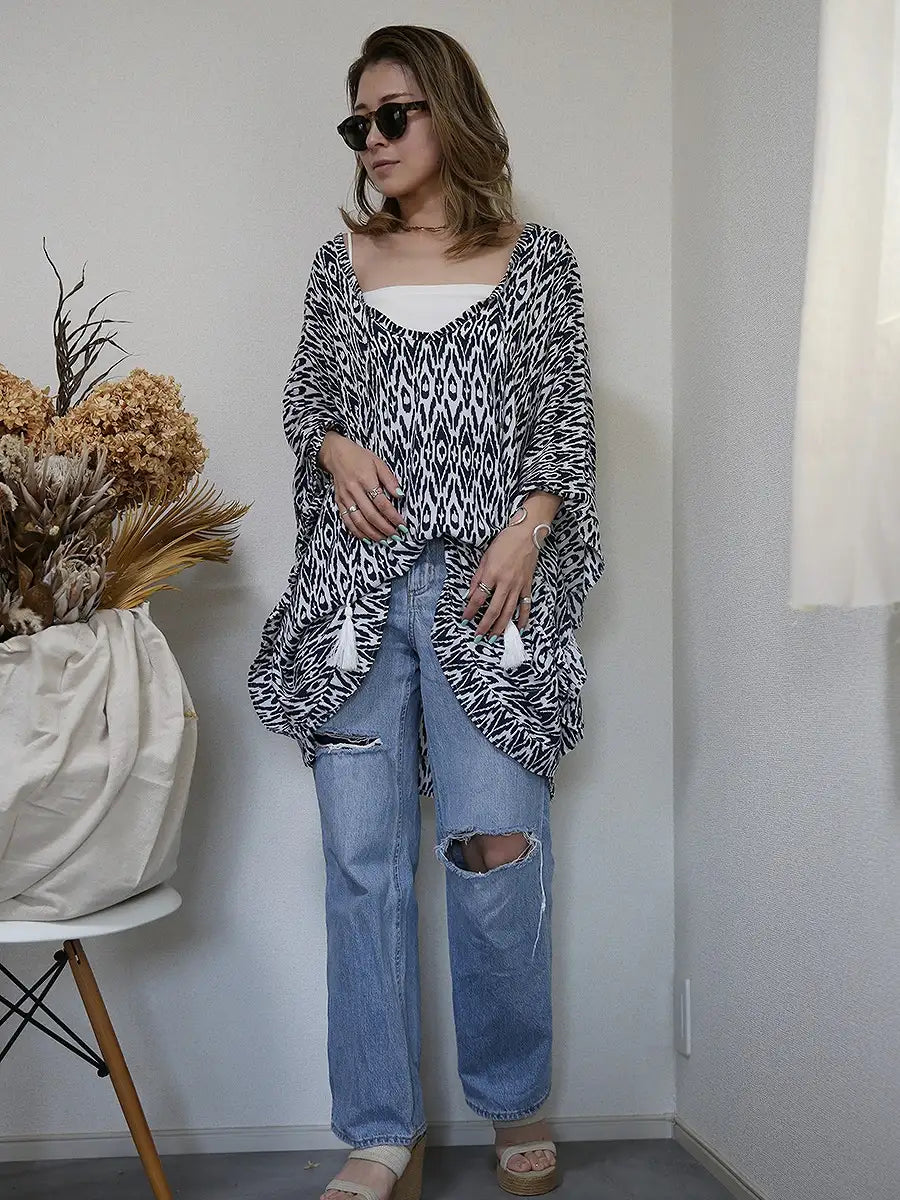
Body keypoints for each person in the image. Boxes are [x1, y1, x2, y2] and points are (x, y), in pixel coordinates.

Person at [247, 24, 604, 1200]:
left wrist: (526, 525)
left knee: (496, 846)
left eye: (392, 113)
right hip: (353, 600)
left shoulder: (537, 262)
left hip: (487, 597)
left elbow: (563, 419)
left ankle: (512, 1102)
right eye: (358, 121)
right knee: (362, 865)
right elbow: (307, 398)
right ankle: (379, 1133)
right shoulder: (339, 262)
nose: (373, 138)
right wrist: (334, 441)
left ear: (450, 111)